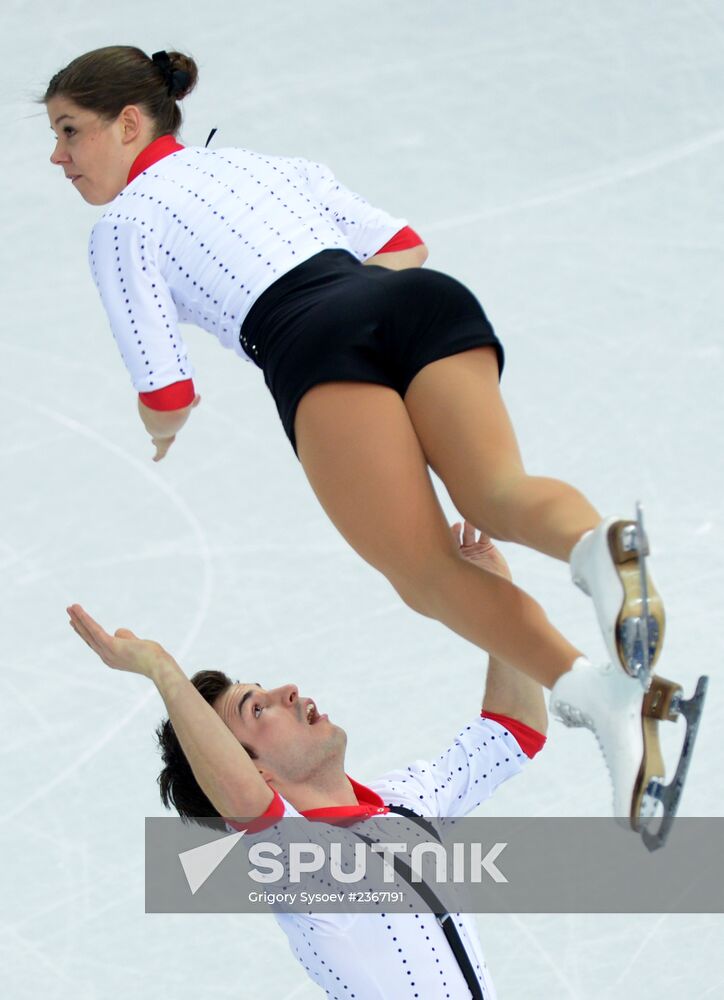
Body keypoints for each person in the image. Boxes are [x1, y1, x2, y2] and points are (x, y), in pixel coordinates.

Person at [48, 45, 692, 830]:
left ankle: (598, 692)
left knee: (423, 569)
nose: (60, 156)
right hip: (418, 301)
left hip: (311, 345)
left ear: (127, 122)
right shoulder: (264, 166)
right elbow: (403, 244)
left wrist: (161, 434)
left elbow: (167, 387)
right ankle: (598, 548)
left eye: (70, 132)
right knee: (497, 491)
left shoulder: (123, 224)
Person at [68, 525, 550, 999]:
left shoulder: (405, 799)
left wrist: (498, 600)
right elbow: (241, 799)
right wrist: (162, 671)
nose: (287, 691)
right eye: (256, 710)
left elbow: (511, 732)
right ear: (256, 772)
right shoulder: (297, 863)